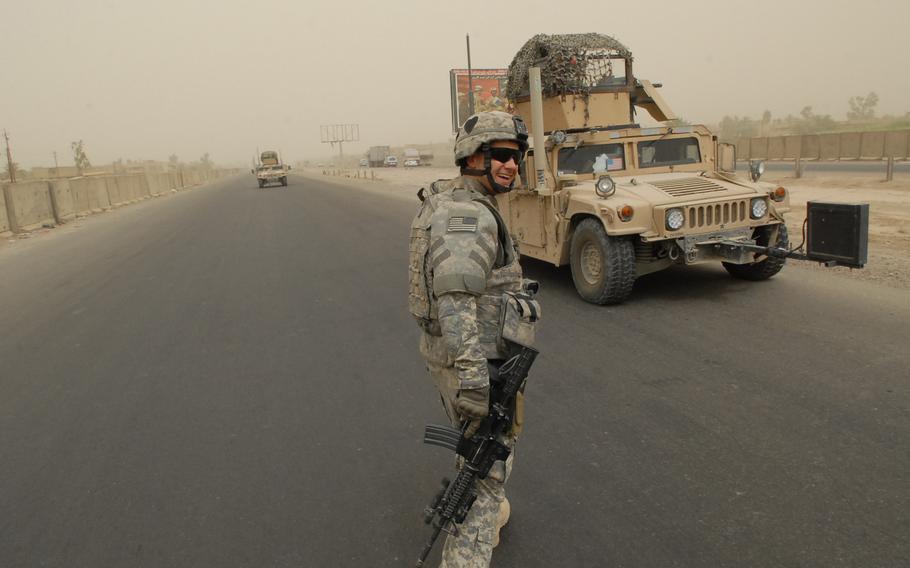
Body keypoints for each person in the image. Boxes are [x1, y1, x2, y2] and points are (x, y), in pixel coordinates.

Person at [408, 111, 541, 567]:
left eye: (516, 156)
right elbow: (455, 302)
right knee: (486, 476)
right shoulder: (467, 214)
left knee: (482, 457)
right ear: (473, 158)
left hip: (474, 358)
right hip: (476, 363)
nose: (511, 165)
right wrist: (474, 382)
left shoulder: (458, 202)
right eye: (501, 155)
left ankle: (490, 507)